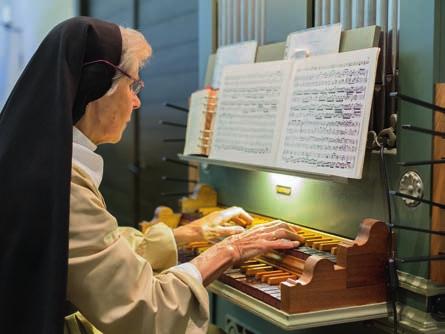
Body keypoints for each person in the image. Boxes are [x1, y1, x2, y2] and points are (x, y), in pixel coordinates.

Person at [0, 16, 303, 334]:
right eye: (132, 85)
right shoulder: (62, 185)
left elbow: (94, 250)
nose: (137, 101)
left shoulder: (34, 157)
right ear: (99, 87)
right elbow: (147, 311)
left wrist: (190, 233)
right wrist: (232, 250)